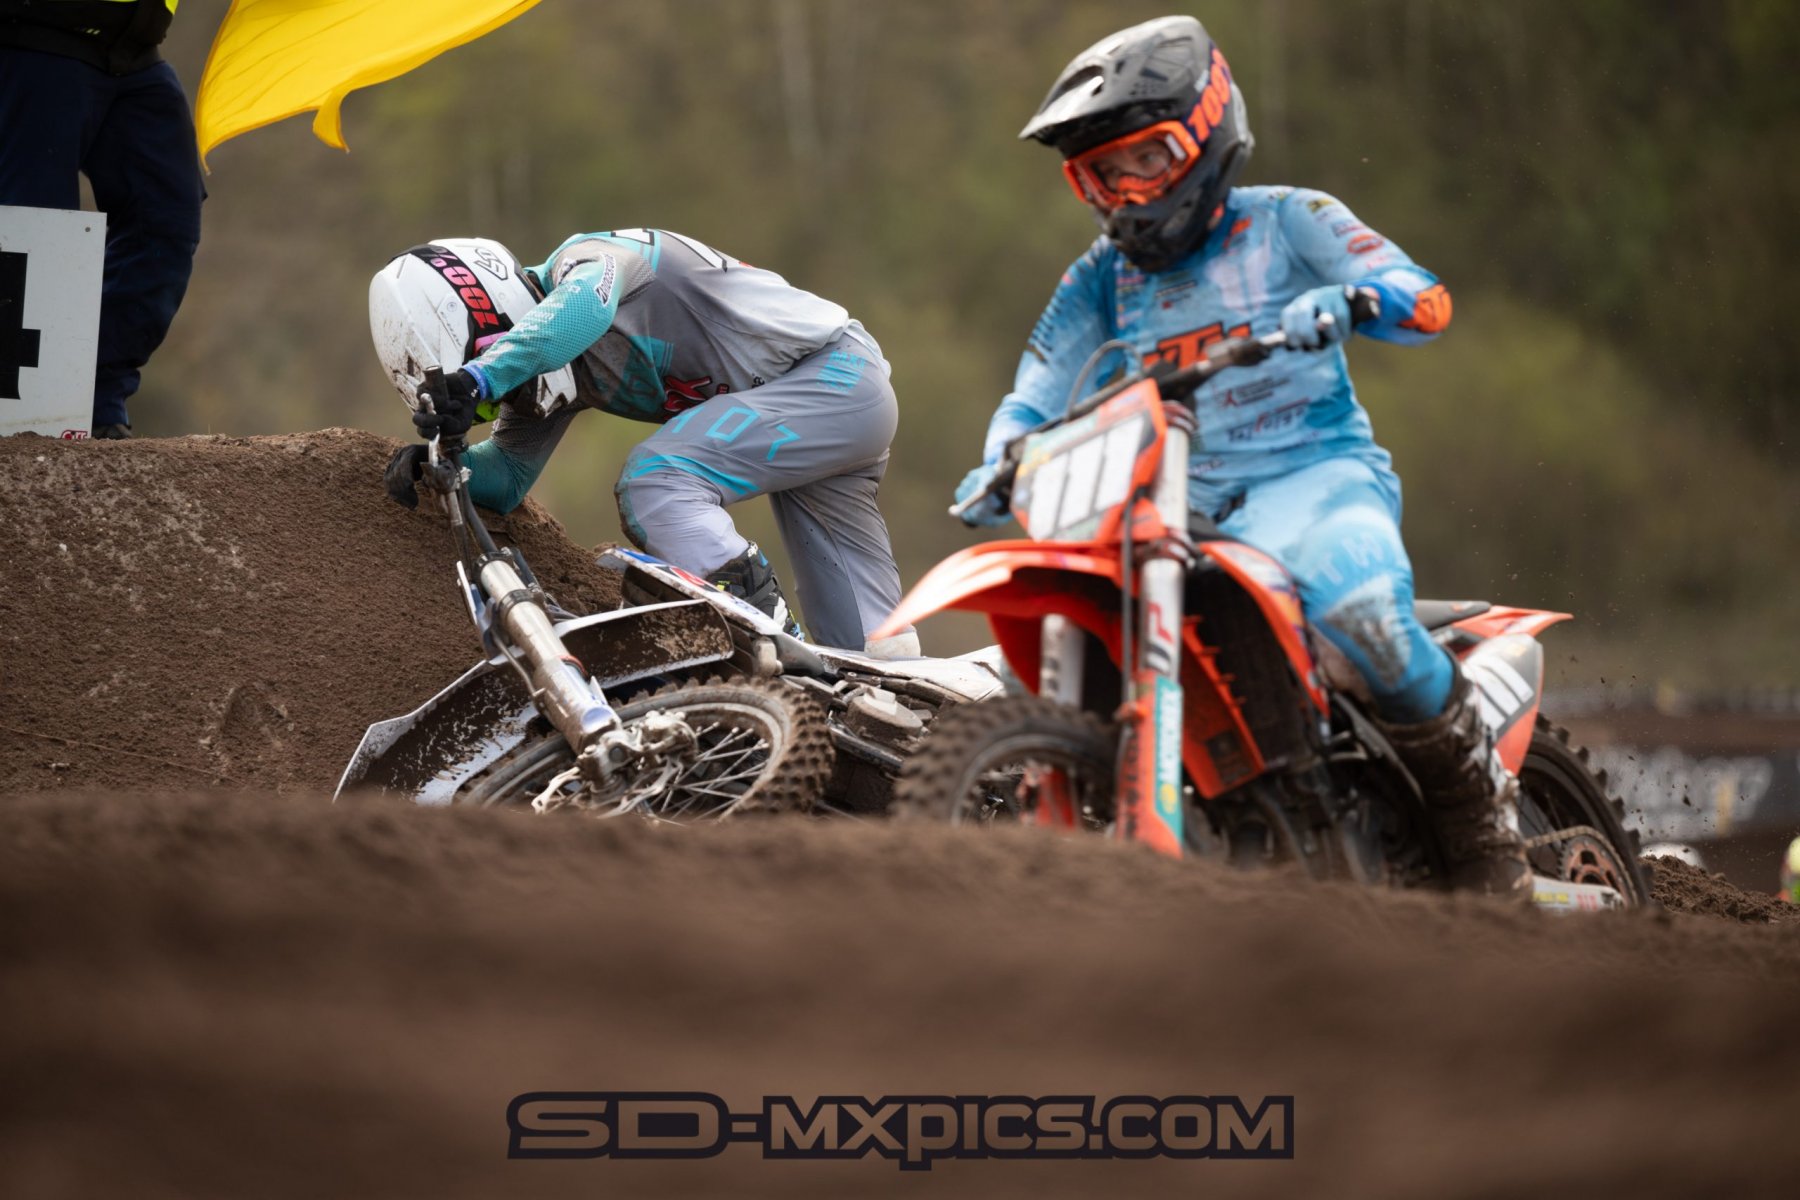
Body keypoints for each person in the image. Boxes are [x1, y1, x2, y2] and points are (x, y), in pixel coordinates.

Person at [957, 16, 1526, 896]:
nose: (1125, 192)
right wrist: (999, 457)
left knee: (1365, 616)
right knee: (1078, 617)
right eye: (1102, 173)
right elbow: (1033, 395)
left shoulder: (1289, 220)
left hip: (1313, 478)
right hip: (1175, 505)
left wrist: (1352, 301)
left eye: (1144, 160)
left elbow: (1426, 300)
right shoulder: (1098, 278)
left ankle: (1481, 824)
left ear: (1204, 134)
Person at [372, 231, 919, 658]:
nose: (507, 391)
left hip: (835, 374)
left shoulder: (587, 260)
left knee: (657, 482)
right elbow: (509, 477)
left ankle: (770, 643)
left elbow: (586, 307)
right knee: (868, 650)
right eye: (489, 399)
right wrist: (447, 464)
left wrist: (480, 379)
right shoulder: (557, 375)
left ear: (485, 302)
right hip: (831, 412)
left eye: (489, 356)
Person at [0, 0, 203, 439]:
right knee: (31, 234)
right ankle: (18, 418)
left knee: (167, 221)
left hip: (137, 51)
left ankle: (91, 402)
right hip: (32, 38)